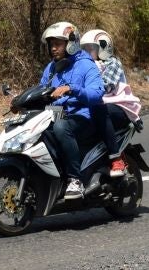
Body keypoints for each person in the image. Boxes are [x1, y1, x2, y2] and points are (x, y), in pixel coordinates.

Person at [38, 21, 105, 199]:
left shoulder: (86, 65)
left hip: (82, 116)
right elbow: (41, 89)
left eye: (58, 44)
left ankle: (75, 179)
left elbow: (97, 93)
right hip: (57, 113)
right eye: (51, 45)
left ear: (71, 43)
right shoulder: (52, 68)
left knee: (60, 127)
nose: (53, 48)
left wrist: (72, 89)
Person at [80, 29, 141, 178]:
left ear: (103, 47)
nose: (87, 52)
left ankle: (116, 158)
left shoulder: (112, 63)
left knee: (99, 111)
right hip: (95, 104)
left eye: (91, 48)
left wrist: (80, 91)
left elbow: (106, 86)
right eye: (85, 49)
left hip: (119, 106)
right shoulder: (85, 65)